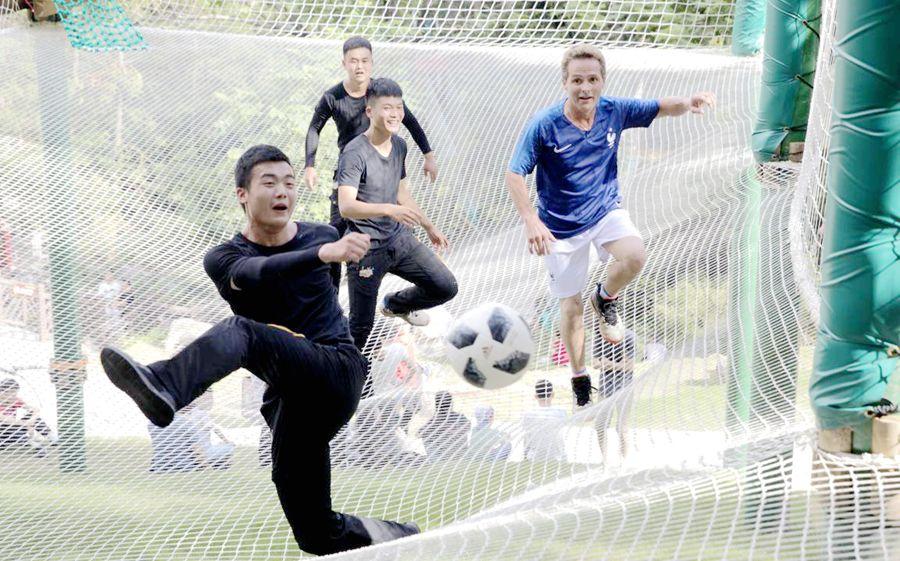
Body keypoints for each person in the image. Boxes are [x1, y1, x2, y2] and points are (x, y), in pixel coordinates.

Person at [99, 145, 419, 556]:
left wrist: (324, 253)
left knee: (243, 332)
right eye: (269, 182)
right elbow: (253, 274)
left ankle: (165, 385)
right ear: (242, 194)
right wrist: (321, 255)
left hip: (336, 369)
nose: (282, 190)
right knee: (315, 534)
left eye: (289, 182)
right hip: (291, 399)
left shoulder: (322, 234)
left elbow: (323, 293)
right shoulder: (225, 257)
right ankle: (402, 536)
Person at [506, 44, 715, 408]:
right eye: (577, 80)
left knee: (634, 255)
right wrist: (530, 219)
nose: (585, 87)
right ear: (565, 83)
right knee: (570, 307)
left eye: (592, 79)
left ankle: (604, 297)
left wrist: (690, 102)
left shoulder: (613, 111)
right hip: (560, 228)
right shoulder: (544, 125)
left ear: (602, 81)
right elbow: (514, 173)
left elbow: (660, 107)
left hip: (605, 210)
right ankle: (578, 374)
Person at [305, 36, 438, 289]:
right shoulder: (333, 96)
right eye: (353, 61)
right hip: (351, 175)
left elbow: (408, 119)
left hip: (383, 169)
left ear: (372, 63)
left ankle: (410, 291)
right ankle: (330, 300)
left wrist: (428, 154)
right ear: (344, 63)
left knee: (402, 225)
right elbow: (315, 128)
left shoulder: (381, 94)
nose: (359, 66)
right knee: (335, 233)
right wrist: (309, 165)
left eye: (365, 61)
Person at [337, 78, 457, 351]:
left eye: (398, 108)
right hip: (365, 248)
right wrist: (388, 209)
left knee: (445, 286)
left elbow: (402, 193)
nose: (394, 114)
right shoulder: (354, 152)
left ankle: (395, 304)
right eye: (387, 108)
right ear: (370, 111)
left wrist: (428, 225)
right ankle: (347, 387)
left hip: (398, 240)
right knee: (360, 329)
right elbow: (346, 205)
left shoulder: (400, 145)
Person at [592, 329, 637, 460]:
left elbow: (629, 366)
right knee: (600, 425)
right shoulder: (600, 335)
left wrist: (607, 364)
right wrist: (616, 365)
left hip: (624, 388)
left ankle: (624, 462)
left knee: (622, 428)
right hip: (605, 388)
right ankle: (605, 461)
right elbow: (595, 364)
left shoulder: (628, 336)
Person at [0, 378, 53, 456]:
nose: (14, 395)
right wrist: (26, 424)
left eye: (15, 392)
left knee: (33, 418)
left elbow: (35, 409)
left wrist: (32, 420)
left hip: (13, 428)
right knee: (9, 427)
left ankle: (51, 437)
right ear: (3, 392)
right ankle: (35, 446)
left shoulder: (15, 400)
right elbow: (4, 419)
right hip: (2, 433)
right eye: (10, 393)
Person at [521, 379, 567, 461]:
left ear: (535, 396)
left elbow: (526, 438)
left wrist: (525, 456)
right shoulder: (561, 413)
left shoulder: (528, 414)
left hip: (535, 458)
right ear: (553, 394)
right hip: (557, 457)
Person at [417, 390, 470, 462]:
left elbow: (419, 433)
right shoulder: (460, 417)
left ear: (437, 404)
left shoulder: (436, 420)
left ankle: (435, 461)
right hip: (457, 454)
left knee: (427, 437)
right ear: (451, 403)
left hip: (446, 455)